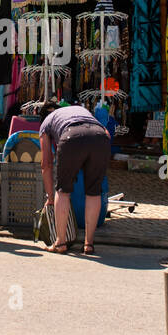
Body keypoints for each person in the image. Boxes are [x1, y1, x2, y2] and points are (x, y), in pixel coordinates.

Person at [38, 101, 111, 255]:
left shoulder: (45, 123)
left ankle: (60, 242)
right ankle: (88, 244)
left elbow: (46, 164)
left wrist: (50, 197)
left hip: (72, 136)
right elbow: (107, 134)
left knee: (63, 191)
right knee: (94, 192)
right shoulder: (79, 110)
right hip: (100, 137)